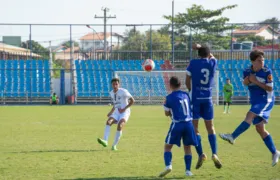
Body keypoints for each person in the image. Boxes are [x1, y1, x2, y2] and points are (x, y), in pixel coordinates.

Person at [219, 50, 280, 166]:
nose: (262, 62)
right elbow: (246, 83)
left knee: (249, 115)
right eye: (259, 60)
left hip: (266, 100)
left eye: (263, 60)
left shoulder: (267, 71)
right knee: (260, 129)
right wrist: (247, 80)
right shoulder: (246, 71)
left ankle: (232, 136)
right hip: (256, 101)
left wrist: (256, 81)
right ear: (252, 62)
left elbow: (270, 89)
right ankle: (275, 152)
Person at [185, 44, 222, 169]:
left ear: (198, 54)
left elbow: (187, 80)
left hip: (195, 99)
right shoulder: (213, 62)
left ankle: (201, 153)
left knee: (194, 128)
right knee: (210, 127)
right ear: (208, 53)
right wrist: (202, 47)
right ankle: (215, 153)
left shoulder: (193, 63)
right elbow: (211, 56)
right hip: (208, 99)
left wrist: (191, 90)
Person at [159, 76, 197, 177]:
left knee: (167, 147)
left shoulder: (169, 97)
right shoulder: (186, 95)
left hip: (177, 124)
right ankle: (188, 171)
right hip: (189, 124)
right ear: (180, 85)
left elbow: (166, 113)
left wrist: (167, 106)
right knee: (187, 147)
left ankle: (168, 166)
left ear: (170, 85)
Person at [97, 78, 135, 151]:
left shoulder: (124, 91)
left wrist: (124, 108)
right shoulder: (111, 93)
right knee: (108, 122)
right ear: (111, 85)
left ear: (119, 84)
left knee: (120, 125)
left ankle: (114, 146)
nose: (115, 86)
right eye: (113, 84)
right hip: (117, 112)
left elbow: (133, 101)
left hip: (125, 112)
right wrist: (111, 112)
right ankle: (105, 141)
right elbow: (116, 104)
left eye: (116, 84)